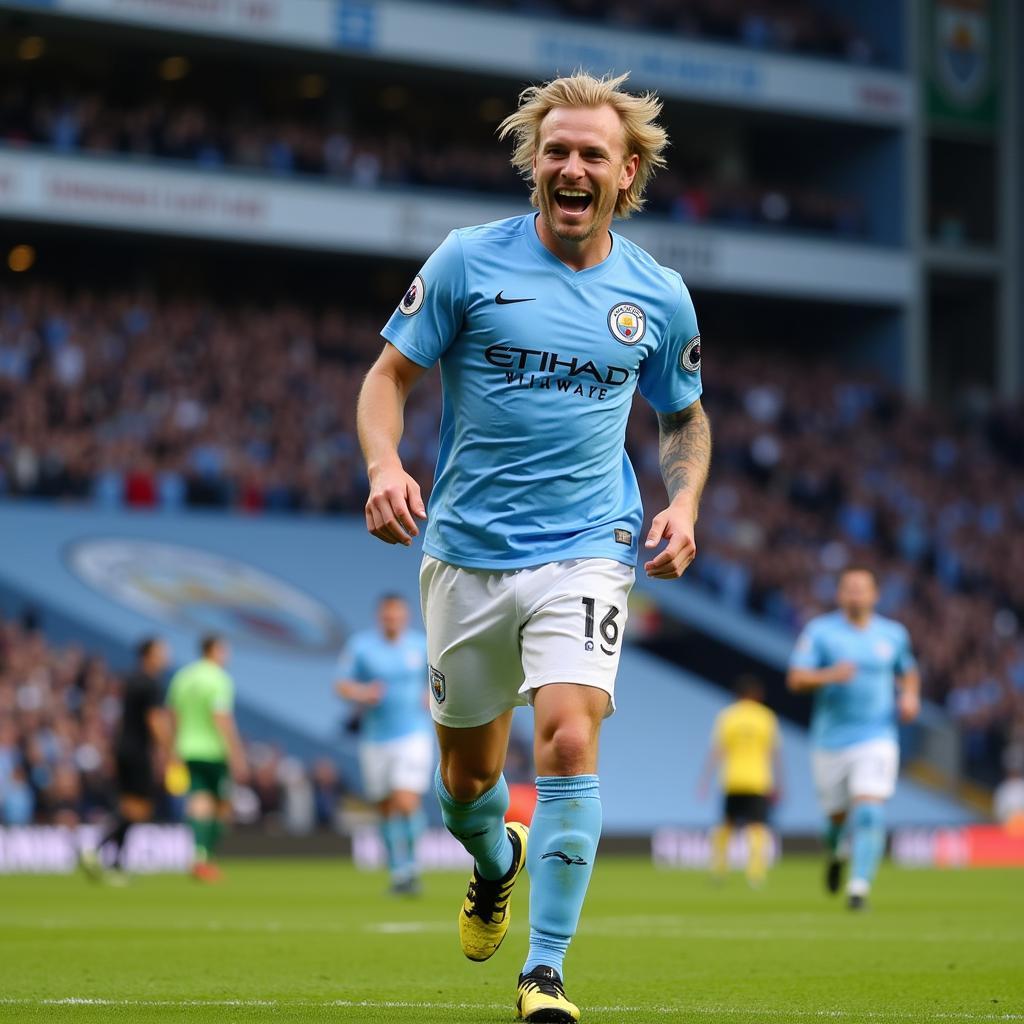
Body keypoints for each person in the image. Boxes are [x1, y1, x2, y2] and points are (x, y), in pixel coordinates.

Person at [356, 71, 711, 1023]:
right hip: (465, 551)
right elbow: (387, 377)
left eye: (592, 152)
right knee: (466, 789)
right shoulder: (470, 261)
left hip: (591, 544)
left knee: (567, 731)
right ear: (534, 163)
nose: (571, 165)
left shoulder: (658, 295)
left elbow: (685, 419)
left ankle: (545, 972)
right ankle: (496, 860)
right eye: (556, 150)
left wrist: (682, 502)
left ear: (626, 172)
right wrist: (386, 466)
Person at [787, 567, 920, 911]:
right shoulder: (821, 632)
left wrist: (909, 697)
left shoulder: (892, 634)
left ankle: (858, 888)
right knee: (835, 819)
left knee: (870, 811)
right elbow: (796, 679)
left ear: (875, 595)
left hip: (877, 736)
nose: (855, 595)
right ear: (840, 595)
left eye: (862, 589)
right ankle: (836, 852)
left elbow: (908, 672)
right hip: (830, 741)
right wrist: (831, 674)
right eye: (849, 589)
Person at [334, 593, 432, 894]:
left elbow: (443, 676)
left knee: (406, 800)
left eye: (397, 615)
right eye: (387, 615)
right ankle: (397, 871)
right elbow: (341, 685)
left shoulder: (421, 645)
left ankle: (412, 866)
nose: (392, 620)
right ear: (380, 617)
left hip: (413, 734)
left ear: (406, 616)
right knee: (385, 807)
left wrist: (434, 695)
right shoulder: (362, 648)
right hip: (375, 737)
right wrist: (363, 693)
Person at [81, 636, 172, 882]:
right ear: (148, 655)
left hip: (123, 749)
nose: (166, 655)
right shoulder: (151, 684)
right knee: (139, 809)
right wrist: (170, 750)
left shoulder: (131, 681)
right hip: (137, 752)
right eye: (161, 651)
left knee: (130, 807)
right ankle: (97, 850)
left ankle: (115, 864)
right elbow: (154, 720)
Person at [166, 634, 248, 882]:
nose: (227, 655)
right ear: (214, 650)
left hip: (187, 748)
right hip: (213, 750)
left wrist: (173, 747)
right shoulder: (218, 678)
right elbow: (221, 717)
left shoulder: (183, 676)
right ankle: (205, 857)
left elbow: (172, 713)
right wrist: (237, 752)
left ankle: (200, 856)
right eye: (225, 650)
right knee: (221, 806)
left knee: (199, 799)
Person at [698, 675, 781, 887]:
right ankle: (755, 874)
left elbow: (717, 751)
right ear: (757, 695)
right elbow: (773, 753)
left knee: (726, 826)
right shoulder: (766, 717)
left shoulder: (728, 716)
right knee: (757, 828)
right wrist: (779, 783)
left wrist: (704, 781)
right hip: (757, 780)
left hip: (732, 779)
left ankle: (719, 870)